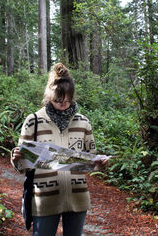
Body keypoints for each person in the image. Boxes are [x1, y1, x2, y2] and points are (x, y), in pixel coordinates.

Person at [11, 63, 108, 236]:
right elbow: (22, 165)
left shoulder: (83, 122)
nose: (63, 104)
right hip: (45, 199)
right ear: (49, 96)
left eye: (67, 100)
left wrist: (101, 163)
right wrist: (17, 157)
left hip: (78, 197)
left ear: (72, 96)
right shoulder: (33, 121)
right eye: (58, 100)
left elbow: (91, 159)